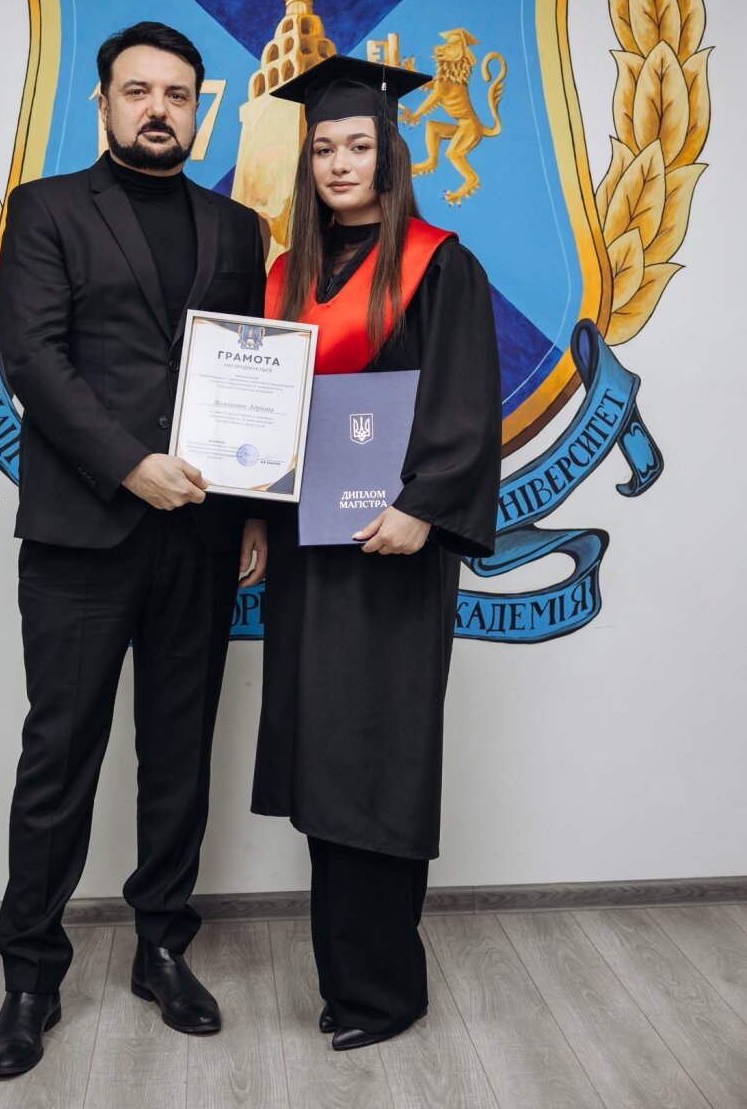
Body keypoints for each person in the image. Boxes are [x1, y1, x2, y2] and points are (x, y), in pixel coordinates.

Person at [0, 21, 267, 1078]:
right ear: (102, 102)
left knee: (179, 753)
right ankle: (29, 976)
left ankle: (162, 948)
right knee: (59, 758)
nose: (158, 108)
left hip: (202, 532)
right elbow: (32, 356)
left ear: (200, 110)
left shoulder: (238, 228)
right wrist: (129, 463)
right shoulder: (46, 208)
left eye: (178, 94)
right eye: (138, 90)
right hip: (83, 531)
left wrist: (252, 509)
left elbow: (252, 375)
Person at [252, 54, 502, 1051]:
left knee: (379, 760)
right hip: (313, 553)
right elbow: (269, 414)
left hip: (393, 555)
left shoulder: (440, 265)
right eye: (324, 148)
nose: (341, 163)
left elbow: (464, 404)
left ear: (390, 157)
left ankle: (385, 990)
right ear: (306, 162)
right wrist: (255, 514)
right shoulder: (287, 275)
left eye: (359, 145)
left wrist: (421, 507)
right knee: (326, 757)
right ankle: (346, 978)